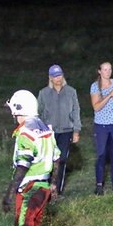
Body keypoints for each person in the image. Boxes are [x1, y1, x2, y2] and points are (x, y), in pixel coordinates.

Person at [3, 89, 69, 226]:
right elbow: (57, 158)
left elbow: (22, 166)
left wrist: (9, 193)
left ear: (18, 109)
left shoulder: (25, 133)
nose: (12, 114)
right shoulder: (45, 129)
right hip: (43, 189)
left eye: (13, 110)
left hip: (30, 189)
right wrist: (54, 185)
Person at [37, 64, 82, 196]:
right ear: (50, 78)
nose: (58, 78)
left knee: (61, 159)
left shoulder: (71, 92)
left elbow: (76, 111)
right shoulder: (43, 93)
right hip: (49, 132)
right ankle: (46, 188)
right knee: (48, 160)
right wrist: (39, 130)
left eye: (60, 75)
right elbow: (38, 113)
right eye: (55, 76)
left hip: (66, 130)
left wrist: (76, 130)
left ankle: (57, 188)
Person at [90, 62, 113, 195]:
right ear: (99, 71)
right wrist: (109, 95)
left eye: (110, 69)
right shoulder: (95, 87)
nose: (108, 72)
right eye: (105, 69)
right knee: (101, 155)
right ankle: (99, 185)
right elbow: (96, 107)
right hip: (101, 125)